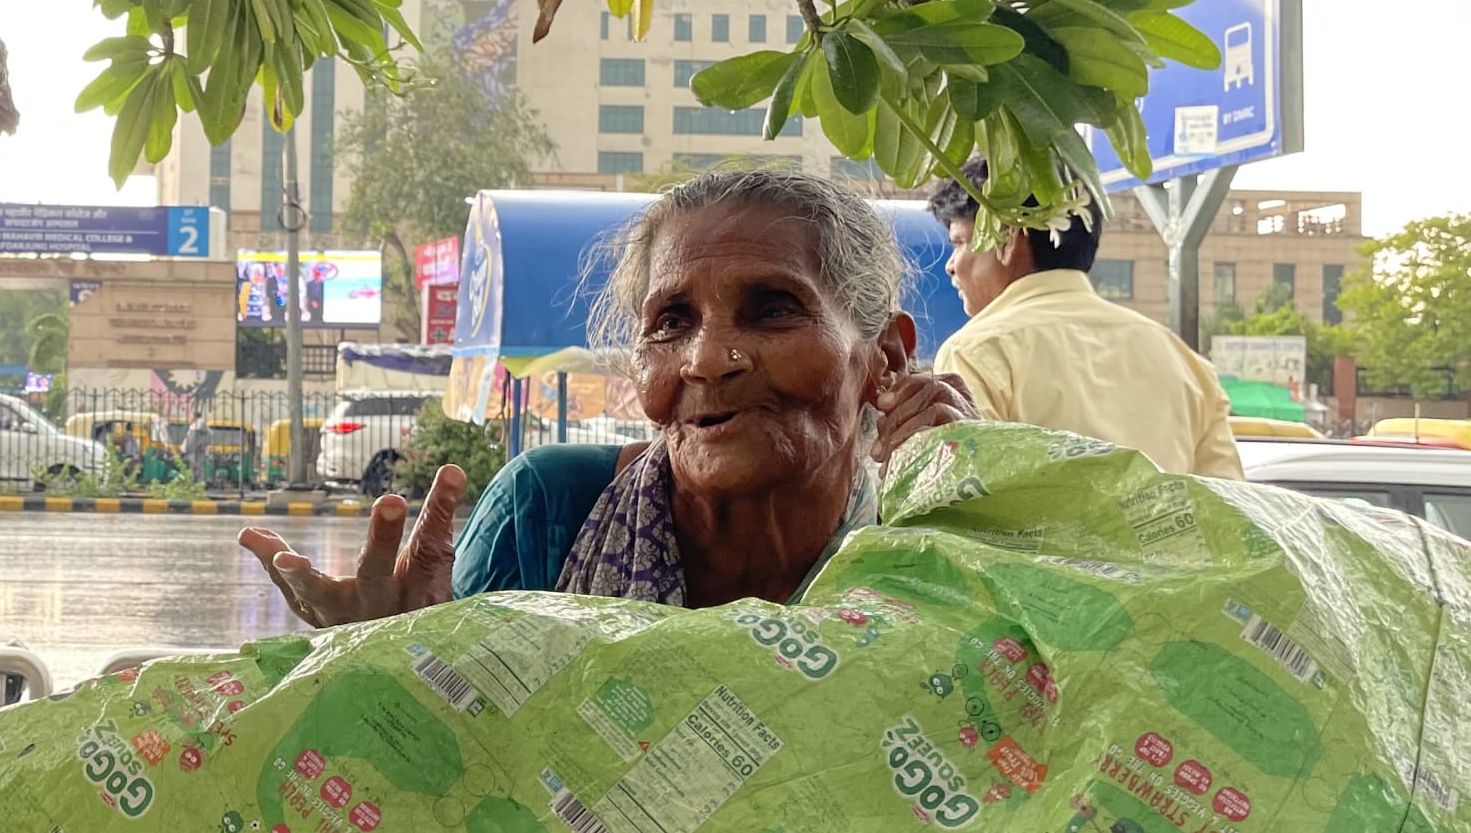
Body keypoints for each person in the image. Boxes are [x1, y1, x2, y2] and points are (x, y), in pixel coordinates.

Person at [241, 167, 979, 621]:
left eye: (773, 309)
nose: (708, 359)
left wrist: (994, 511)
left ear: (886, 357)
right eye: (672, 322)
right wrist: (387, 659)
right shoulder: (548, 512)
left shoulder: (924, 541)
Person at [926, 165, 1242, 480]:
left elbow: (964, 505)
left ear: (1007, 239)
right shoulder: (1186, 363)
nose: (951, 266)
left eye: (959, 242)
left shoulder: (976, 353)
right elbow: (1230, 510)